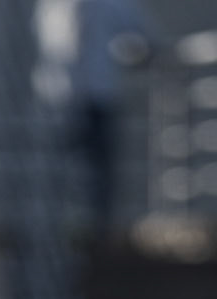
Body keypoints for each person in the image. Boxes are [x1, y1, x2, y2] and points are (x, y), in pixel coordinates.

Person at [67, 0, 160, 230]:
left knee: (97, 173)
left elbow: (145, 42)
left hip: (97, 98)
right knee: (71, 171)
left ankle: (95, 231)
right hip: (61, 101)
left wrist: (128, 50)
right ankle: (75, 227)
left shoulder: (114, 4)